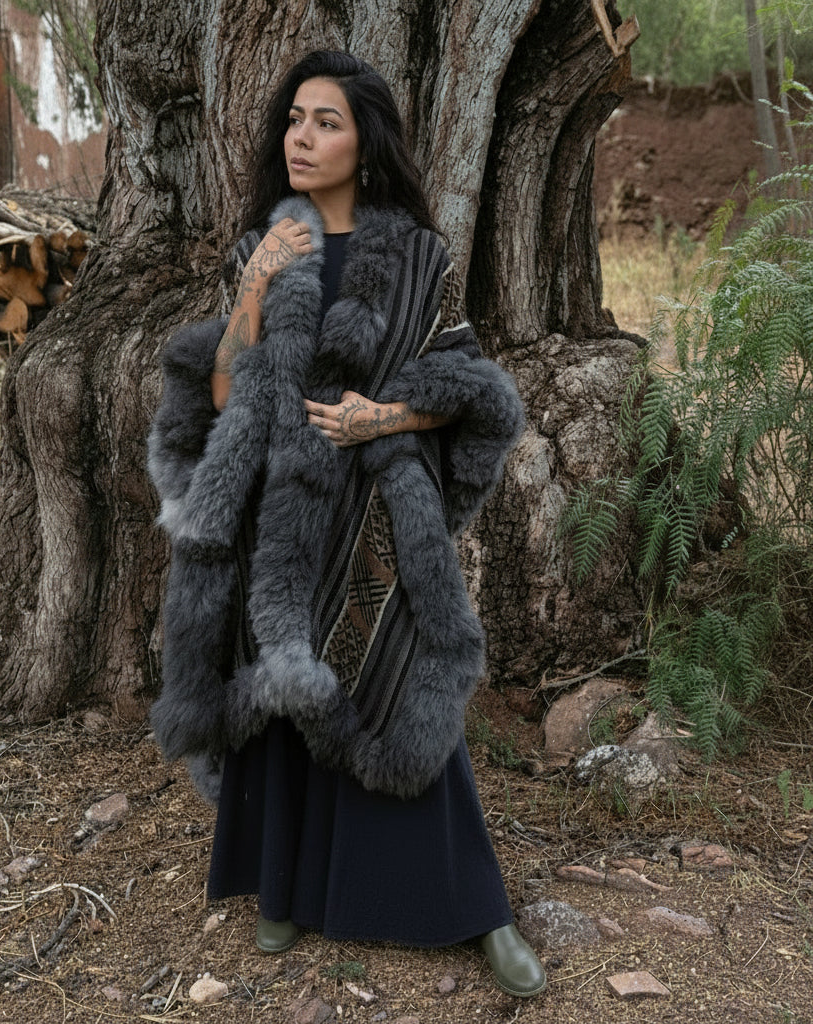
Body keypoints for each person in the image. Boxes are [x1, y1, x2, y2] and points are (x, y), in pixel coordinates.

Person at [147, 50, 545, 999]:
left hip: (374, 512)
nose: (302, 136)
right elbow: (218, 391)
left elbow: (469, 388)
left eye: (325, 120)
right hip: (275, 517)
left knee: (402, 681)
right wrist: (253, 289)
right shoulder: (262, 247)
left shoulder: (416, 256)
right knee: (285, 682)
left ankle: (477, 911)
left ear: (365, 142)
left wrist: (385, 417)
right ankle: (282, 887)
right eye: (294, 119)